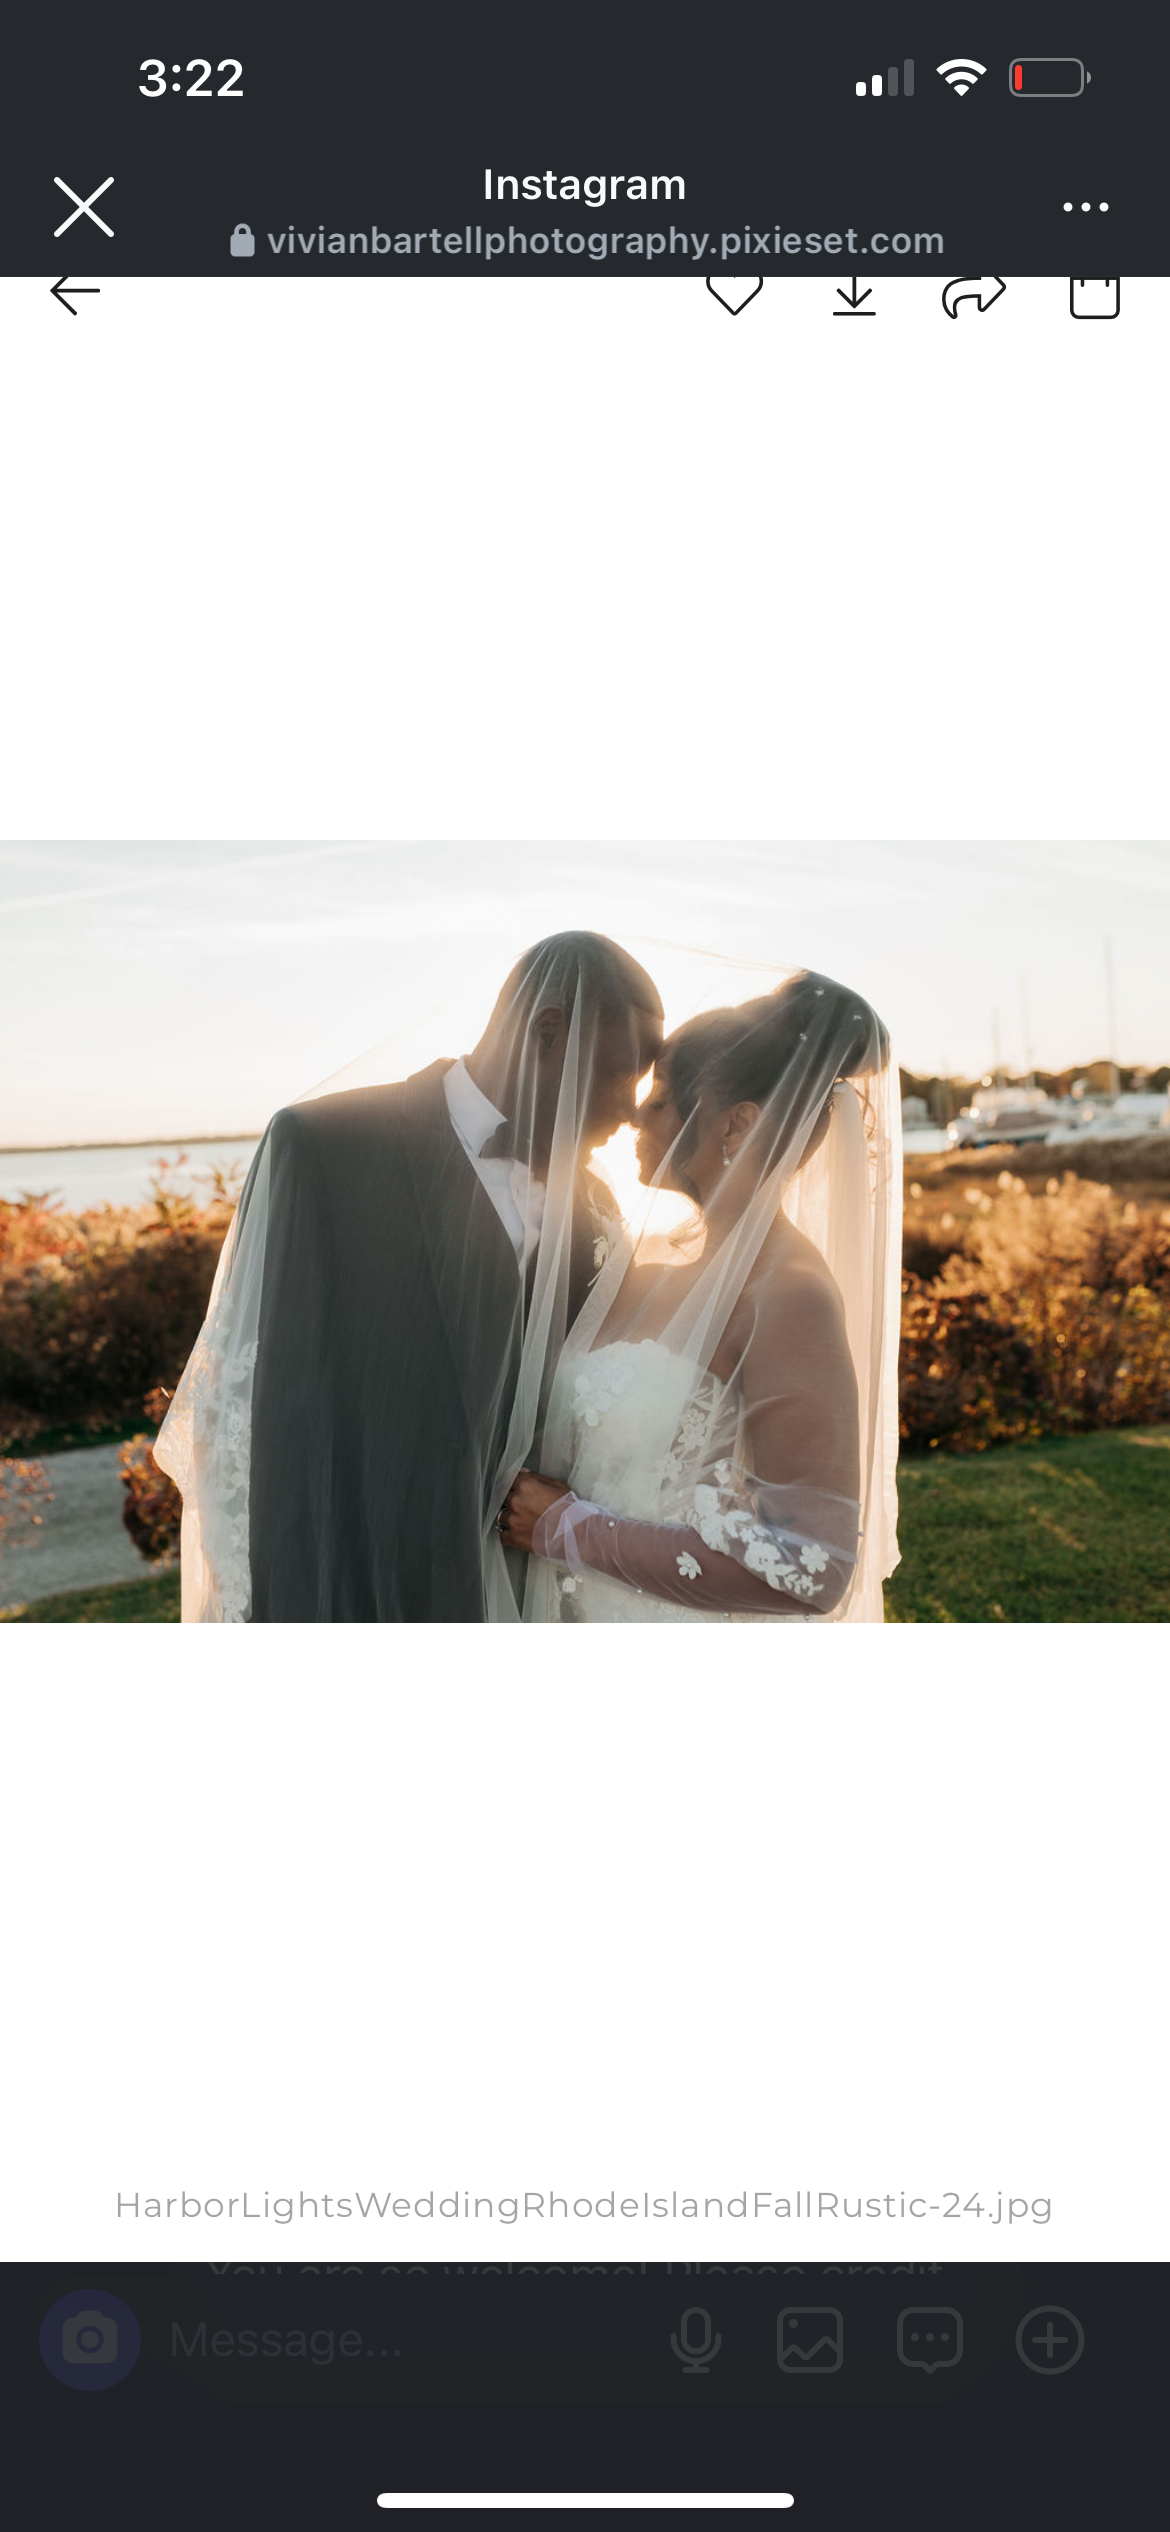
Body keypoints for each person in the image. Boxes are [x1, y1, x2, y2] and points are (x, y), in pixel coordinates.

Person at [154, 933, 663, 1621]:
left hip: (523, 1591)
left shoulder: (597, 1205)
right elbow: (245, 1409)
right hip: (350, 1580)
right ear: (548, 1033)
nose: (630, 1109)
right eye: (618, 1075)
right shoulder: (319, 1148)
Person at [499, 970, 901, 1623]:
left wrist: (566, 1529)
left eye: (659, 1098)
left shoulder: (789, 1293)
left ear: (735, 1124)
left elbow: (812, 1567)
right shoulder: (653, 1266)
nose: (634, 1112)